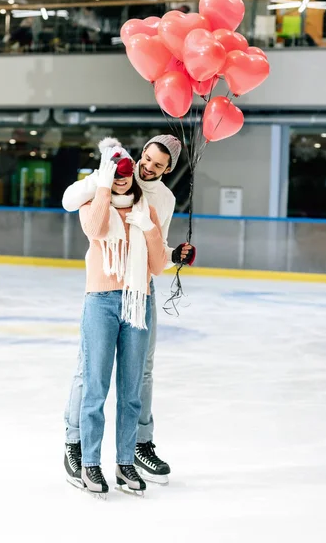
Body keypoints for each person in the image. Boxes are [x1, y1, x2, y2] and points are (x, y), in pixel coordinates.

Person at [63, 135, 196, 487]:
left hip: (140, 292)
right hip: (104, 291)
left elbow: (158, 253)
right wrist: (103, 179)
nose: (147, 167)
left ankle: (136, 447)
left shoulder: (161, 201)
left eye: (157, 164)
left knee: (139, 375)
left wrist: (175, 254)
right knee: (90, 372)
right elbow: (87, 216)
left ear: (168, 170)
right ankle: (76, 444)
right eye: (146, 158)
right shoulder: (120, 173)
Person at [76, 147, 167, 496]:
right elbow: (96, 229)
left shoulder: (148, 211)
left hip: (137, 302)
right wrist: (102, 184)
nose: (122, 176)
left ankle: (125, 462)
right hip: (100, 302)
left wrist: (149, 229)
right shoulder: (93, 205)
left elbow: (157, 266)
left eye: (125, 171)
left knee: (131, 393)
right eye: (115, 172)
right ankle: (90, 465)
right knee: (95, 388)